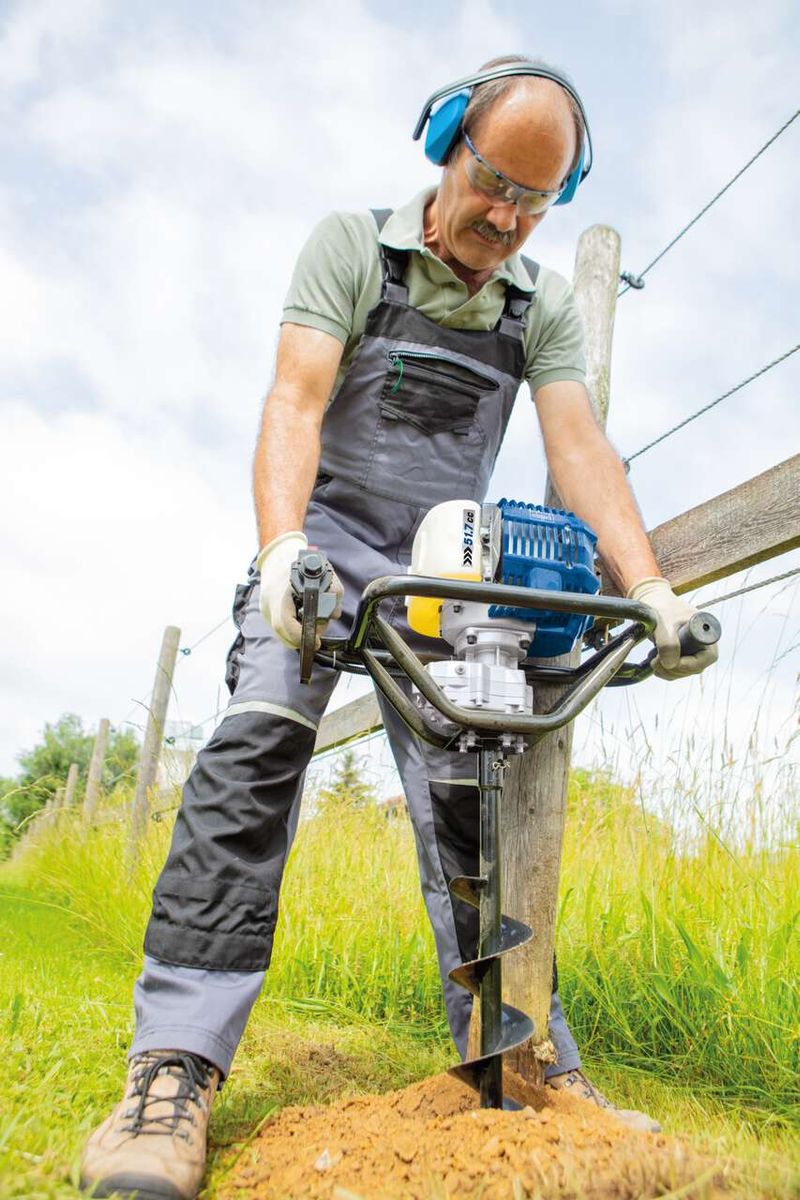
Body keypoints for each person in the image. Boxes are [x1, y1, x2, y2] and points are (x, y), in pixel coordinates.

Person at [81, 55, 717, 1200]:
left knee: (477, 792)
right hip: (323, 556)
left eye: (534, 200)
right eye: (491, 183)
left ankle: (515, 1058)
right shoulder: (349, 250)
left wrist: (653, 590)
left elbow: (578, 450)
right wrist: (282, 552)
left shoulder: (537, 306)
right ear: (444, 147)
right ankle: (171, 1069)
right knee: (256, 748)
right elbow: (294, 399)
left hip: (438, 577)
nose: (505, 217)